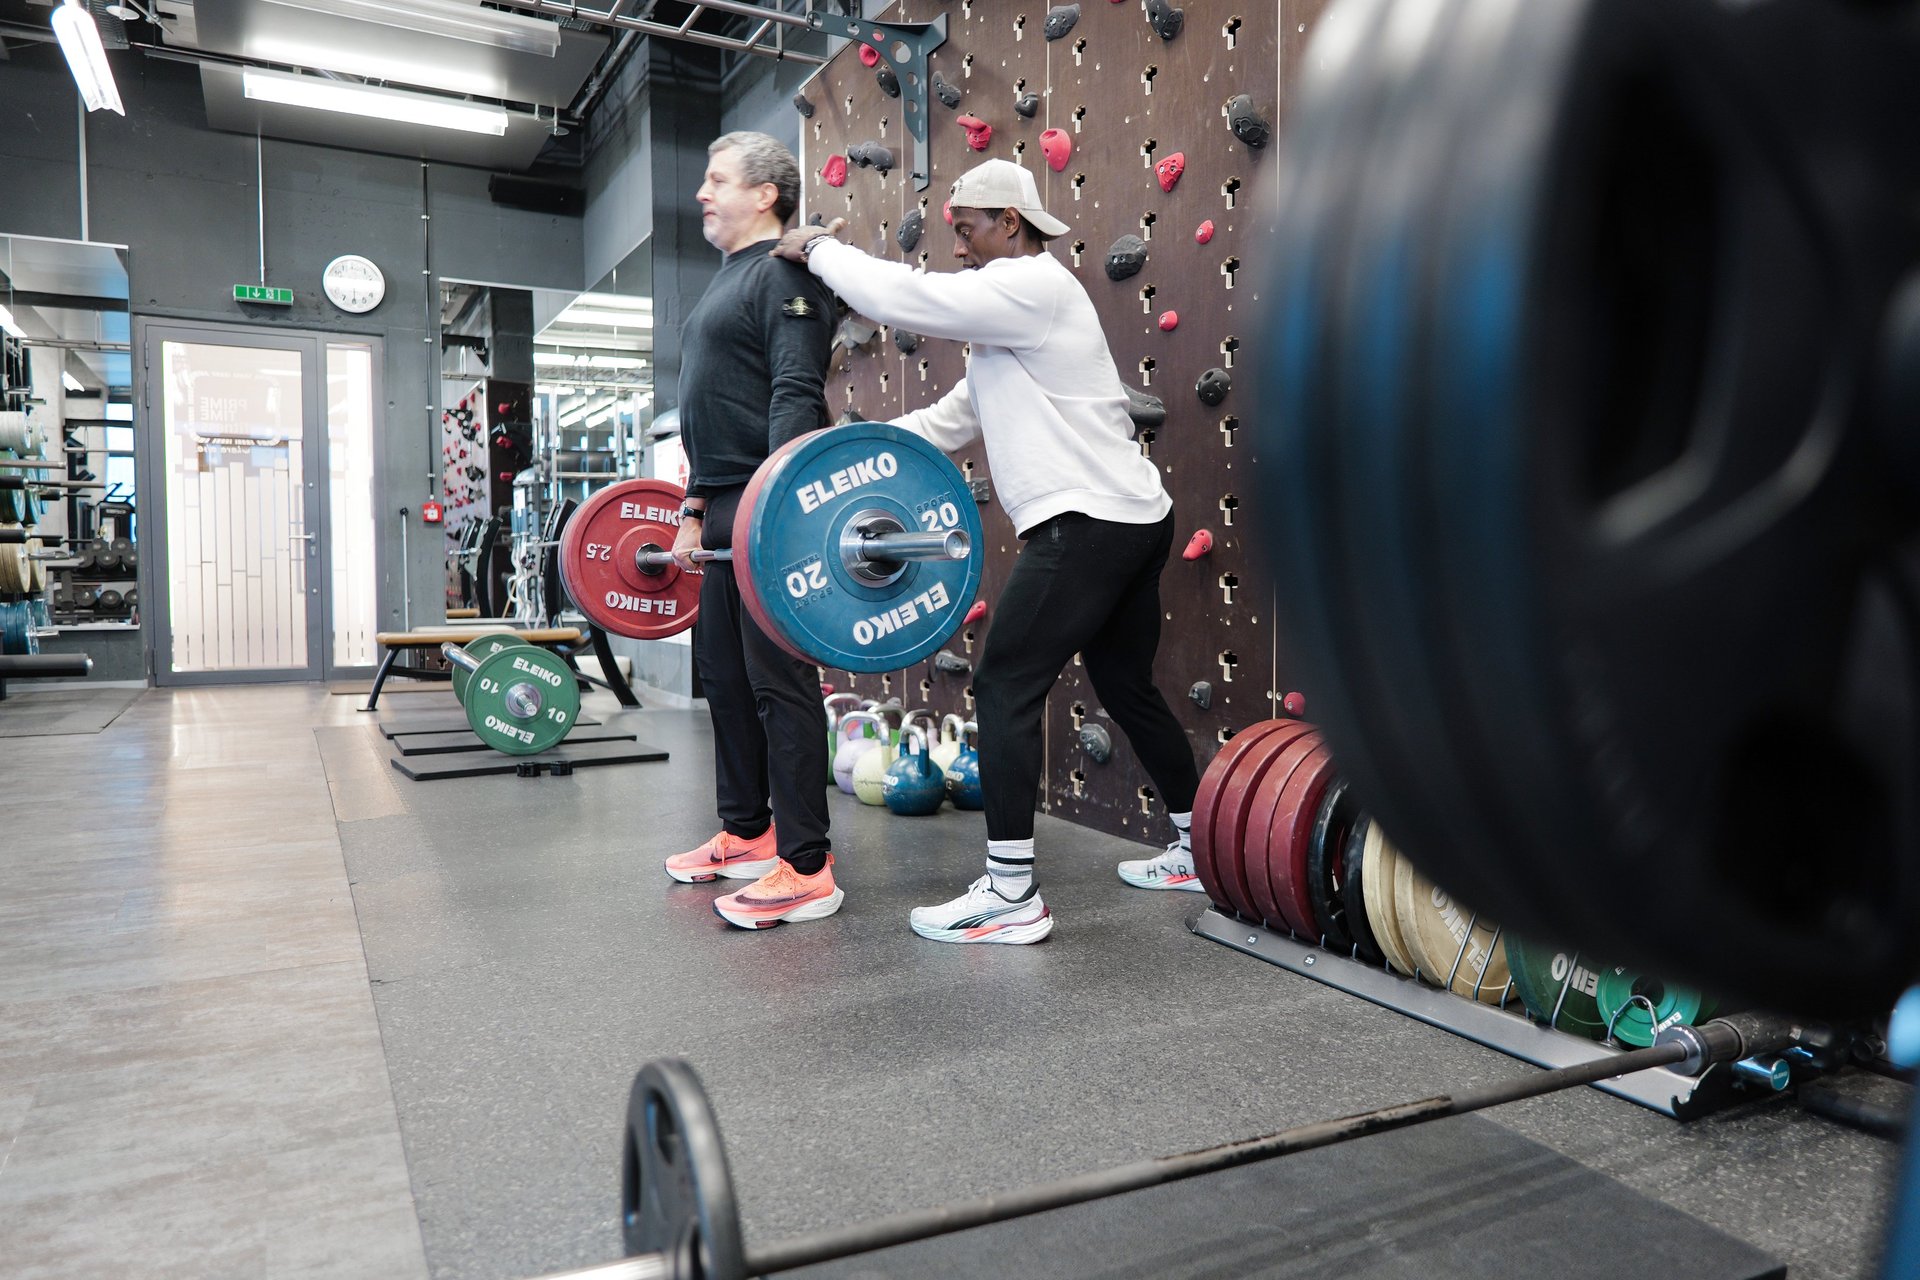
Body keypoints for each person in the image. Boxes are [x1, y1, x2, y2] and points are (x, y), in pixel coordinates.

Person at [772, 158, 1204, 945]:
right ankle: (1197, 847)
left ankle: (1011, 895)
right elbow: (943, 425)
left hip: (1089, 523)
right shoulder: (1011, 333)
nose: (960, 248)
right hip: (1134, 519)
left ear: (1011, 220)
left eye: (967, 229)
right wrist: (829, 458)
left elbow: (906, 297)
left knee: (1003, 681)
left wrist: (817, 250)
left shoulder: (1034, 288)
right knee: (1125, 685)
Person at [663, 131, 842, 931]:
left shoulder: (783, 275)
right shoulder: (726, 281)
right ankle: (746, 830)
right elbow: (714, 411)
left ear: (767, 193)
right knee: (726, 681)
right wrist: (694, 508)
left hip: (771, 503)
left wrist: (780, 504)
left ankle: (807, 866)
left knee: (778, 683)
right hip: (724, 504)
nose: (702, 193)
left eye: (716, 179)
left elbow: (795, 396)